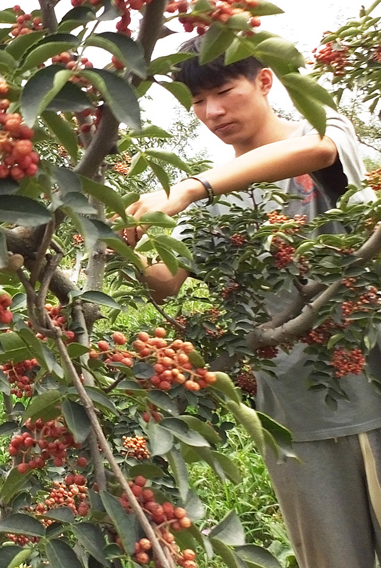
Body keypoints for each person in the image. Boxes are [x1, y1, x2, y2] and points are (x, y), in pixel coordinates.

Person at [125, 38, 381, 568]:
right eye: (197, 101)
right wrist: (111, 235)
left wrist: (191, 188)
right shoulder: (212, 200)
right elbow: (163, 284)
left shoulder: (321, 128)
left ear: (264, 82)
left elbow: (318, 152)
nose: (213, 112)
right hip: (299, 414)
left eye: (224, 90)